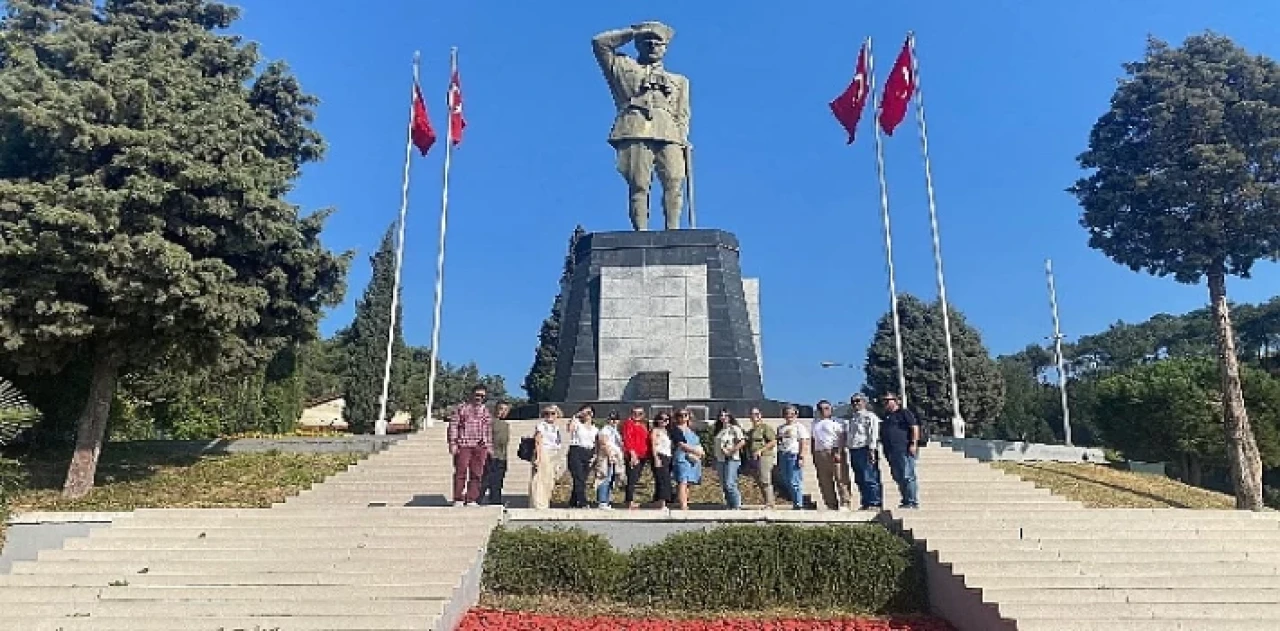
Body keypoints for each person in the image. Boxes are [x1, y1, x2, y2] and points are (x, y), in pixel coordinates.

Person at [591, 22, 691, 231]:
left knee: (674, 181)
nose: (653, 46)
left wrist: (682, 139)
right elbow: (600, 43)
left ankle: (673, 230)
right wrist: (635, 31)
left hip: (669, 132)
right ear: (638, 45)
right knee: (639, 184)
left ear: (665, 48)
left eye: (658, 43)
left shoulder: (679, 81)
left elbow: (682, 114)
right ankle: (641, 231)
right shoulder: (623, 67)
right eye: (647, 42)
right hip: (634, 129)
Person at [447, 384, 492, 506]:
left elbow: (487, 429)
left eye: (482, 396)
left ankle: (471, 498)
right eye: (477, 395)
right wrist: (453, 443)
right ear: (472, 394)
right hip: (464, 445)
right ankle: (458, 498)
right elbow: (453, 426)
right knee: (461, 472)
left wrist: (488, 446)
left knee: (476, 473)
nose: (479, 398)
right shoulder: (462, 408)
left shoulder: (486, 411)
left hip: (479, 446)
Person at [880, 393, 921, 509]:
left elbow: (914, 427)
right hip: (891, 451)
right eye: (884, 401)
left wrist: (913, 443)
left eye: (888, 400)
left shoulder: (904, 413)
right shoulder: (886, 416)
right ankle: (905, 500)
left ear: (896, 401)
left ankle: (912, 501)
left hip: (904, 448)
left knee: (907, 475)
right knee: (898, 476)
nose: (886, 403)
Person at [810, 399, 852, 511]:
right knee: (824, 481)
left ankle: (845, 502)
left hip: (834, 451)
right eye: (821, 409)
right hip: (820, 452)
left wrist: (839, 451)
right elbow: (813, 439)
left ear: (831, 409)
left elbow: (842, 437)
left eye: (826, 408)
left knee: (841, 478)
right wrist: (813, 454)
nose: (824, 411)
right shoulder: (815, 423)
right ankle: (831, 504)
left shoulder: (837, 422)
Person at [847, 393, 883, 510]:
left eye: (858, 401)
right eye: (853, 402)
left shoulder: (870, 416)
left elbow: (873, 433)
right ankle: (866, 501)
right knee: (860, 478)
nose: (856, 404)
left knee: (869, 476)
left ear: (864, 402)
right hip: (854, 449)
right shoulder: (852, 418)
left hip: (866, 448)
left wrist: (872, 449)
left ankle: (875, 502)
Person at [529, 405, 564, 510]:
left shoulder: (556, 428)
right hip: (544, 452)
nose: (549, 415)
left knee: (549, 480)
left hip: (554, 453)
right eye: (546, 413)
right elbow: (538, 441)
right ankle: (538, 504)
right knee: (540, 479)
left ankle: (545, 502)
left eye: (553, 413)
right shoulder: (541, 425)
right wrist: (538, 458)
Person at [776, 405, 810, 510]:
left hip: (793, 454)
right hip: (783, 454)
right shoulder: (781, 428)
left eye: (792, 414)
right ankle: (795, 502)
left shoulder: (799, 427)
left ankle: (799, 504)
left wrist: (801, 456)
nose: (789, 416)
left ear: (796, 415)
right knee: (786, 480)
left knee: (794, 480)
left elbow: (803, 442)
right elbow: (779, 441)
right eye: (786, 413)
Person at [670, 409, 704, 511]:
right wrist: (696, 451)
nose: (683, 417)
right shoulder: (676, 429)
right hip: (682, 458)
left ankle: (685, 501)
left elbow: (697, 443)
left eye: (685, 415)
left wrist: (700, 452)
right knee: (682, 481)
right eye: (680, 415)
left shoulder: (692, 430)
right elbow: (680, 444)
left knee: (688, 483)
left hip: (693, 459)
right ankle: (683, 505)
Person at [712, 410, 747, 509]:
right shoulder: (719, 430)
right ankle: (729, 505)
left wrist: (732, 451)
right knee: (724, 485)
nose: (723, 417)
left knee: (730, 483)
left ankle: (737, 505)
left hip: (732, 459)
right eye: (721, 415)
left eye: (726, 415)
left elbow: (742, 442)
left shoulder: (734, 428)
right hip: (720, 460)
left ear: (730, 417)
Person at [479, 402, 512, 506]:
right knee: (486, 481)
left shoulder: (506, 425)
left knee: (498, 483)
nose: (503, 412)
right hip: (490, 456)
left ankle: (495, 501)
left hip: (502, 457)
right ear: (496, 409)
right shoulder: (490, 422)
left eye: (506, 410)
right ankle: (476, 499)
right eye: (501, 409)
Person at [566, 405, 598, 508]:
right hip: (576, 451)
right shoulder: (577, 424)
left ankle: (573, 501)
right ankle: (582, 501)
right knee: (578, 477)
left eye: (589, 413)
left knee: (582, 479)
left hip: (589, 453)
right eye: (585, 413)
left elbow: (596, 443)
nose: (587, 415)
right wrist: (576, 416)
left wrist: (595, 455)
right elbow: (569, 429)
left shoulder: (595, 429)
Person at [620, 406, 652, 509]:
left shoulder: (644, 425)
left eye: (640, 413)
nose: (637, 416)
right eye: (635, 413)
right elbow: (627, 439)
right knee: (632, 478)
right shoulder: (628, 423)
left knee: (636, 477)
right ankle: (629, 501)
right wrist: (632, 454)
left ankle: (629, 500)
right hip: (634, 455)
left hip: (643, 455)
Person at [745, 408, 777, 509]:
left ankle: (770, 503)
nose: (755, 416)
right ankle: (767, 502)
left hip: (765, 456)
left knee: (765, 479)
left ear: (760, 415)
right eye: (753, 414)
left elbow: (773, 441)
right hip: (754, 458)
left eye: (757, 414)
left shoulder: (765, 427)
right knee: (759, 481)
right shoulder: (751, 431)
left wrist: (761, 450)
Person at [590, 425, 623, 509]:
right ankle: (602, 501)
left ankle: (607, 500)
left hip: (614, 457)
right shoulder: (605, 429)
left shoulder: (615, 430)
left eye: (616, 419)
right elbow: (603, 443)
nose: (614, 421)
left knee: (610, 480)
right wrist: (610, 455)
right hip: (605, 457)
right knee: (603, 478)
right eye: (612, 419)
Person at [650, 412, 675, 508]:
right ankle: (662, 503)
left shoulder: (667, 432)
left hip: (667, 457)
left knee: (666, 479)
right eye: (661, 418)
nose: (664, 421)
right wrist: (656, 458)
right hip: (659, 456)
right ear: (657, 420)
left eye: (666, 419)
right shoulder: (655, 430)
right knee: (662, 480)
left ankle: (658, 501)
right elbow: (653, 445)